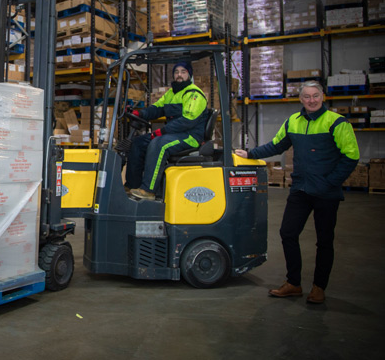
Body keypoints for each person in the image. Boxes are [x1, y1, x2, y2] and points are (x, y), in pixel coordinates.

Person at [234, 81, 358, 304]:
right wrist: (250, 153)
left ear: (323, 97)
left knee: (324, 241)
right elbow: (276, 145)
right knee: (288, 233)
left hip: (327, 193)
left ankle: (319, 287)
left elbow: (351, 156)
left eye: (315, 96)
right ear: (301, 99)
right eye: (307, 97)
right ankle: (293, 283)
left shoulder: (336, 122)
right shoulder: (294, 121)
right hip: (301, 189)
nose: (311, 100)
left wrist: (331, 182)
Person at [125, 61, 209, 200]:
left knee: (159, 144)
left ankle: (148, 190)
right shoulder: (172, 93)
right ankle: (132, 185)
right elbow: (157, 108)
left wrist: (162, 131)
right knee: (139, 142)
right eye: (176, 72)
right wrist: (140, 114)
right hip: (174, 134)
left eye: (183, 72)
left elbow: (187, 121)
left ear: (189, 74)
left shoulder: (194, 94)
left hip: (190, 136)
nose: (179, 75)